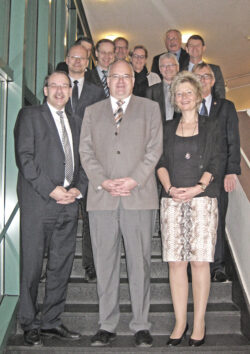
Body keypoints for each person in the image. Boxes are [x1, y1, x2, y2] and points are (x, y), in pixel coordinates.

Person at [79, 60, 163, 348]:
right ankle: (106, 324)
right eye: (115, 76)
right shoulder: (92, 112)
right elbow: (85, 151)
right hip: (102, 198)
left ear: (132, 79)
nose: (120, 81)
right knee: (104, 264)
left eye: (126, 76)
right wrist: (103, 181)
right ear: (108, 80)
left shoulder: (150, 108)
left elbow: (154, 149)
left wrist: (134, 180)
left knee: (139, 264)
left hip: (138, 197)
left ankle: (141, 324)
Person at [14, 71, 88, 346]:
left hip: (69, 206)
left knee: (61, 266)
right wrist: (51, 189)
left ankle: (51, 322)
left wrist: (78, 189)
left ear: (70, 91)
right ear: (45, 90)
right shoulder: (30, 116)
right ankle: (29, 322)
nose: (59, 90)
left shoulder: (77, 122)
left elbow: (84, 162)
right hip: (39, 203)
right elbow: (25, 159)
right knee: (32, 266)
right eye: (54, 85)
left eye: (64, 86)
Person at [157, 71, 221, 347]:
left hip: (202, 200)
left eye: (188, 93)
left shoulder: (212, 126)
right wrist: (170, 189)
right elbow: (159, 162)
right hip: (172, 201)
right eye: (179, 93)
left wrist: (197, 188)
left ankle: (198, 322)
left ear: (197, 96)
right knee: (176, 264)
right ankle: (180, 321)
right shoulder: (167, 128)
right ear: (174, 99)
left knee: (199, 262)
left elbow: (218, 161)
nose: (184, 97)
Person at [193, 62, 241, 282]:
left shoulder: (227, 107)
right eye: (198, 76)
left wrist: (232, 171)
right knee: (194, 221)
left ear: (213, 81)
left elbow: (233, 140)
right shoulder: (185, 106)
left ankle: (218, 267)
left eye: (206, 76)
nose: (202, 80)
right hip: (192, 177)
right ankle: (194, 266)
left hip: (220, 176)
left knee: (217, 219)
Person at [65, 44, 105, 281]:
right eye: (73, 58)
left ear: (88, 61)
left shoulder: (97, 92)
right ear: (67, 59)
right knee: (63, 215)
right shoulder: (58, 86)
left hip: (90, 161)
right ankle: (61, 265)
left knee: (92, 216)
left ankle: (90, 264)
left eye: (82, 58)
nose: (78, 62)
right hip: (62, 162)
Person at [185, 35, 225, 99]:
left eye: (198, 45)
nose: (194, 48)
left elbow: (220, 95)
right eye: (191, 46)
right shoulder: (179, 71)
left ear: (203, 48)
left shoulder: (215, 70)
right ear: (187, 49)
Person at [146, 52, 179, 123]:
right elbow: (147, 117)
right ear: (160, 70)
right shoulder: (151, 91)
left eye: (171, 65)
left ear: (177, 67)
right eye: (164, 66)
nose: (168, 68)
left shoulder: (185, 90)